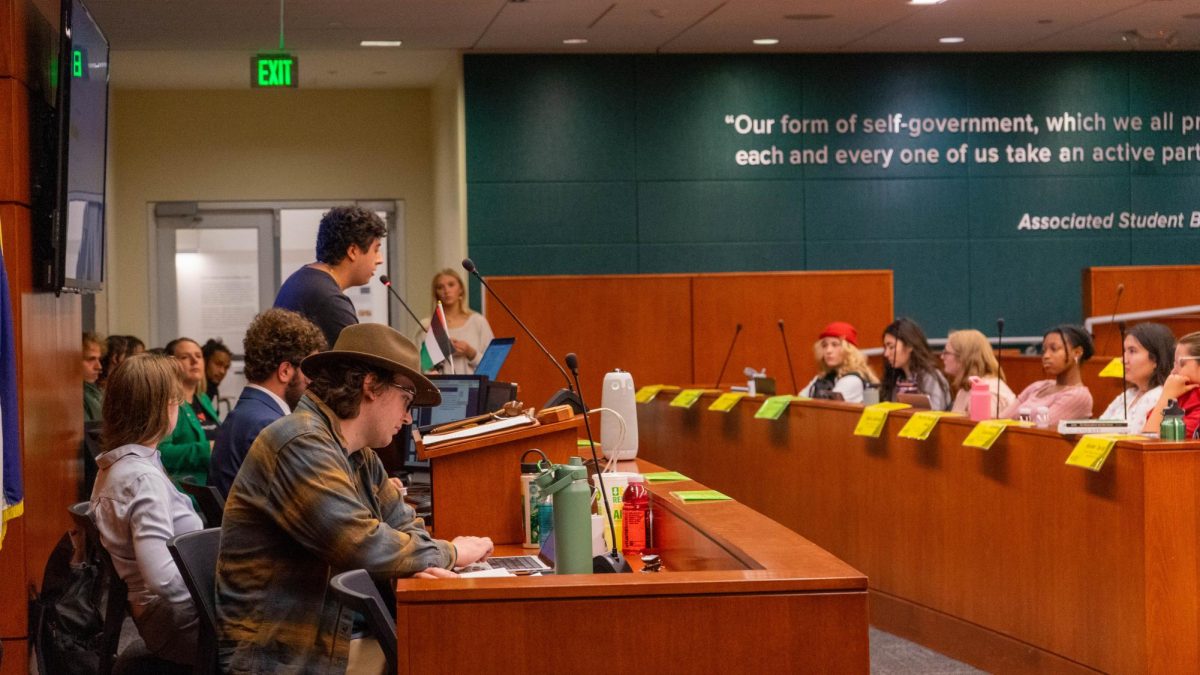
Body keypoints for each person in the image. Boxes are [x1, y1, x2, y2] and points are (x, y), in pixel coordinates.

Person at [216, 323, 494, 673]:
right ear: (370, 386)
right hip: (285, 660)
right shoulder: (299, 443)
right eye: (406, 400)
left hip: (328, 642)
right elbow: (361, 544)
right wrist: (451, 552)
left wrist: (419, 560)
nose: (408, 417)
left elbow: (406, 525)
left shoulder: (357, 454)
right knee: (459, 653)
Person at [90, 354, 202, 666]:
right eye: (175, 400)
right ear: (162, 407)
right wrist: (211, 608)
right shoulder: (142, 478)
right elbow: (163, 579)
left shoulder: (116, 466)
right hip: (181, 625)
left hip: (161, 618)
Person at [210, 309, 326, 498]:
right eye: (308, 371)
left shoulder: (242, 414)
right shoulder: (272, 426)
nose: (312, 381)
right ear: (285, 371)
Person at [274, 205, 386, 348]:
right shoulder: (328, 300)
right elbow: (357, 366)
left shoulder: (304, 278)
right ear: (353, 251)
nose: (380, 259)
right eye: (376, 250)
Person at [1001, 325, 1094, 425]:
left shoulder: (1079, 396)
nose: (1046, 356)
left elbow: (1039, 431)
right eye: (1044, 350)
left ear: (1077, 353)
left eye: (1054, 349)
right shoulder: (1038, 386)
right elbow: (1001, 419)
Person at [160, 337, 220, 486]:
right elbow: (160, 453)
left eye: (198, 356)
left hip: (215, 485)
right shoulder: (166, 403)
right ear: (170, 364)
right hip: (187, 494)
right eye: (185, 357)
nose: (195, 361)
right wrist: (206, 450)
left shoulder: (203, 398)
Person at [1098, 322, 1174, 433]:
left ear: (1156, 359)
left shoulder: (1160, 396)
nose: (1123, 360)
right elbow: (1097, 429)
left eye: (1132, 351)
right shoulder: (1129, 394)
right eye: (1125, 351)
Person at [419, 269, 494, 374]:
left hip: (474, 387)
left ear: (461, 289)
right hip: (439, 387)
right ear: (436, 293)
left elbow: (492, 364)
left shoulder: (478, 322)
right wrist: (440, 351)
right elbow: (420, 365)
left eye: (451, 285)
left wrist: (470, 352)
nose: (446, 290)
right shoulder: (427, 325)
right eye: (440, 287)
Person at [881, 318, 951, 411]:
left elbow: (936, 413)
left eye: (891, 347)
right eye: (885, 347)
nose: (886, 353)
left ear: (909, 346)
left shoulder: (930, 378)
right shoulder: (895, 380)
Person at [941, 329, 1015, 416]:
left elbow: (985, 428)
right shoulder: (966, 388)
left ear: (963, 357)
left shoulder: (989, 392)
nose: (942, 357)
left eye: (946, 353)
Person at [799, 321, 878, 403]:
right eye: (825, 345)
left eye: (835, 345)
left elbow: (828, 410)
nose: (828, 351)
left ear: (848, 349)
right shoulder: (822, 377)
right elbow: (799, 401)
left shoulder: (852, 380)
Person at [1145, 330, 1200, 437]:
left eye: (1181, 364)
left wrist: (1166, 396)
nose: (1173, 372)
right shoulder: (1183, 395)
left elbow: (1150, 440)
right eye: (1174, 364)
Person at [83, 332, 103, 422]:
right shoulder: (69, 396)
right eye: (91, 359)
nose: (98, 366)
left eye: (99, 359)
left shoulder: (96, 391)